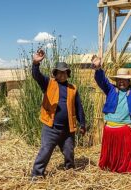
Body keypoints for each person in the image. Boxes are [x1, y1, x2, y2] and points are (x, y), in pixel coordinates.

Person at [31, 49, 86, 178]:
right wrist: (35, 63)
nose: (62, 75)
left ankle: (70, 170)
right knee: (45, 151)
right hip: (51, 127)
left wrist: (82, 124)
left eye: (65, 72)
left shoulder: (73, 89)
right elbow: (36, 76)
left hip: (68, 129)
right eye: (59, 72)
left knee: (69, 152)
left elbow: (79, 107)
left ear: (68, 74)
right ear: (55, 73)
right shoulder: (48, 83)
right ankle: (37, 174)